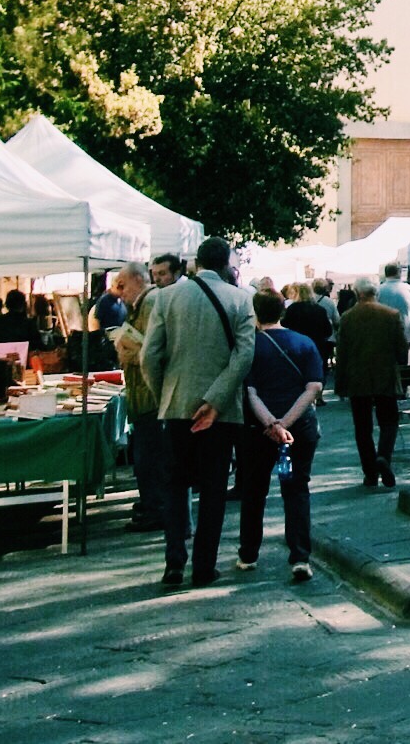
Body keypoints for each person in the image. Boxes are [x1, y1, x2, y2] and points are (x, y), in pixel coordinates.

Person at [141, 235, 256, 589]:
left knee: (175, 485)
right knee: (213, 488)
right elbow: (244, 355)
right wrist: (217, 399)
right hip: (221, 413)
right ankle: (204, 566)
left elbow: (149, 356)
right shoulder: (241, 299)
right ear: (226, 263)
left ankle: (173, 561)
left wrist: (165, 394)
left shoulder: (165, 297)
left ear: (196, 263)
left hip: (176, 406)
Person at [236, 290, 325, 581]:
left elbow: (250, 392)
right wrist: (286, 423)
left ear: (254, 313)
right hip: (299, 427)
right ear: (282, 311)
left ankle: (248, 553)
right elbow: (313, 388)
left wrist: (272, 424)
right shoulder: (304, 343)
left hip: (258, 429)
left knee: (254, 490)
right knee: (296, 488)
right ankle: (300, 556)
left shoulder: (250, 346)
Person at [113, 261, 171, 534]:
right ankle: (151, 504)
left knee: (150, 458)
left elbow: (155, 351)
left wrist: (131, 355)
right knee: (145, 457)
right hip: (144, 396)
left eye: (123, 285)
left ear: (139, 279)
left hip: (150, 396)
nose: (119, 292)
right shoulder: (142, 305)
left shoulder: (150, 303)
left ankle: (156, 508)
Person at [334, 276, 407, 486]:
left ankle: (370, 472)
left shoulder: (348, 317)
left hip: (358, 378)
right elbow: (401, 352)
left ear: (357, 294)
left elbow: (342, 354)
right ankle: (383, 456)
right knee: (389, 422)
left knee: (362, 428)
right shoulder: (391, 315)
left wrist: (341, 384)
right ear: (376, 293)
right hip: (385, 375)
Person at [281, 281, 334, 370]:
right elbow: (328, 331)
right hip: (317, 348)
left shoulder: (292, 310)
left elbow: (285, 327)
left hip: (297, 349)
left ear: (295, 294)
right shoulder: (320, 310)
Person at [375, 262, 410, 340]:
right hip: (404, 337)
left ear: (386, 274)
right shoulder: (409, 289)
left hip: (383, 338)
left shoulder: (377, 290)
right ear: (400, 272)